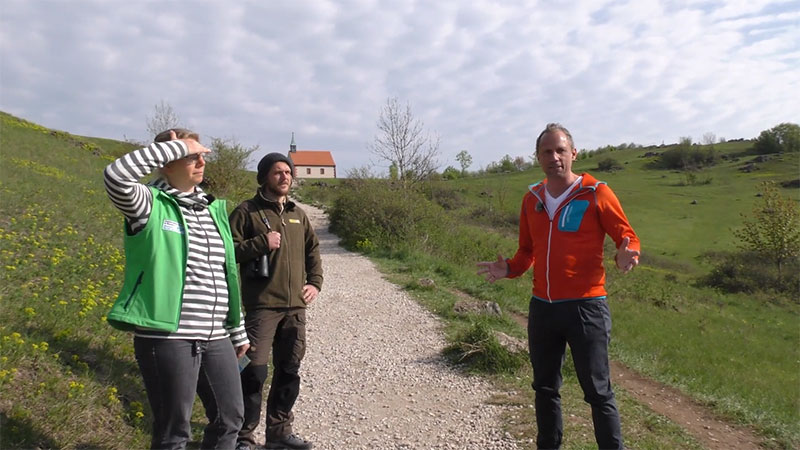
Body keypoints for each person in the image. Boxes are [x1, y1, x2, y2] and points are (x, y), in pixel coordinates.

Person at [477, 123, 640, 450]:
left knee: (598, 392)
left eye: (560, 150)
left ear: (573, 153)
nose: (554, 157)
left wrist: (626, 253)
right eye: (547, 151)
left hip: (586, 308)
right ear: (538, 157)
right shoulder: (531, 199)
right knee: (545, 388)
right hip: (543, 309)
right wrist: (508, 268)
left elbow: (627, 235)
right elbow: (526, 253)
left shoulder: (596, 193)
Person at [103, 129, 249, 450]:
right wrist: (175, 147)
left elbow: (223, 273)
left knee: (231, 418)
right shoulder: (148, 204)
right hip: (167, 336)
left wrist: (236, 327)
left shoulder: (211, 209)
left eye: (201, 155)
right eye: (190, 156)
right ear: (167, 161)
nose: (201, 162)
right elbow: (115, 176)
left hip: (216, 336)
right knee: (174, 433)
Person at [229, 153, 323, 450]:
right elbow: (227, 251)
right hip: (261, 306)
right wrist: (261, 243)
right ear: (264, 177)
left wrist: (314, 283)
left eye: (288, 172)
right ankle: (243, 437)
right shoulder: (247, 211)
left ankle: (279, 433)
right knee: (253, 371)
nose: (284, 177)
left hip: (295, 307)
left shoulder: (298, 213)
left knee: (289, 369)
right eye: (277, 172)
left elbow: (313, 250)